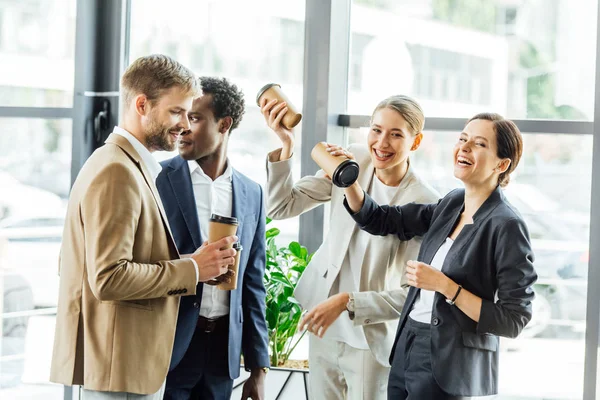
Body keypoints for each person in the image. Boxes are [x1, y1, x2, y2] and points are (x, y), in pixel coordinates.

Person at [50, 55, 238, 399]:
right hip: (120, 369)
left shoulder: (126, 165)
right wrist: (192, 269)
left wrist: (195, 263)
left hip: (126, 367)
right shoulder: (116, 171)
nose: (185, 125)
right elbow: (108, 278)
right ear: (141, 104)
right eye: (177, 112)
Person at [343, 113, 538, 399]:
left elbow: (513, 318)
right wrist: (347, 179)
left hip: (448, 361)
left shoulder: (506, 224)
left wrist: (445, 286)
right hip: (408, 342)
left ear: (502, 164)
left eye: (479, 144)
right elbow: (383, 220)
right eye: (463, 139)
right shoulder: (451, 202)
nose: (465, 147)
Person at [262, 95, 439, 399]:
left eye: (396, 134)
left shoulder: (424, 201)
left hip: (371, 338)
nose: (382, 143)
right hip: (324, 325)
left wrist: (350, 302)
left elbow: (412, 294)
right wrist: (286, 144)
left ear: (416, 141)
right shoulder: (352, 162)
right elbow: (281, 206)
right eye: (376, 129)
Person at [156, 77, 270, 400]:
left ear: (225, 124)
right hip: (170, 350)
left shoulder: (252, 193)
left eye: (195, 118)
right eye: (182, 117)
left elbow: (254, 283)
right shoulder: (157, 178)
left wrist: (258, 369)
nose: (183, 128)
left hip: (222, 355)